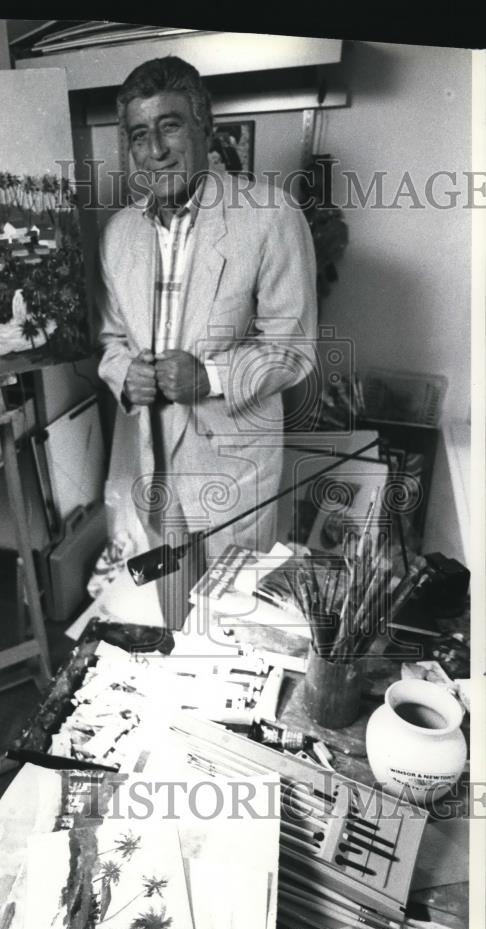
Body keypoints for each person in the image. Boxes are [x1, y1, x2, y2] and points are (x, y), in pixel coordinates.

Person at [95, 56, 317, 626]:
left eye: (170, 126)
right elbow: (112, 341)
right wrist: (127, 375)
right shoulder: (119, 236)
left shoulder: (270, 216)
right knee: (173, 612)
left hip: (234, 472)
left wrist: (211, 377)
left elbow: (293, 349)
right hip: (157, 468)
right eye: (139, 135)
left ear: (204, 128)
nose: (156, 150)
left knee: (233, 624)